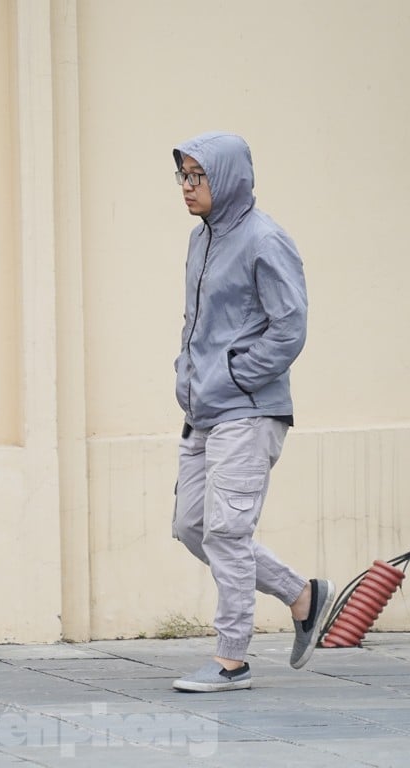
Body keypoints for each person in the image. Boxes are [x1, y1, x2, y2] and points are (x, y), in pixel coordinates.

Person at [169, 131, 334, 692]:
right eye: (183, 176)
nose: (188, 188)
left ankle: (231, 659)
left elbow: (291, 325)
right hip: (204, 410)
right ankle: (302, 595)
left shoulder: (266, 239)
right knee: (193, 527)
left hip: (250, 408)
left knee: (227, 531)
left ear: (228, 177)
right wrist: (188, 377)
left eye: (199, 176)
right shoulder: (201, 239)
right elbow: (197, 325)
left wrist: (237, 374)